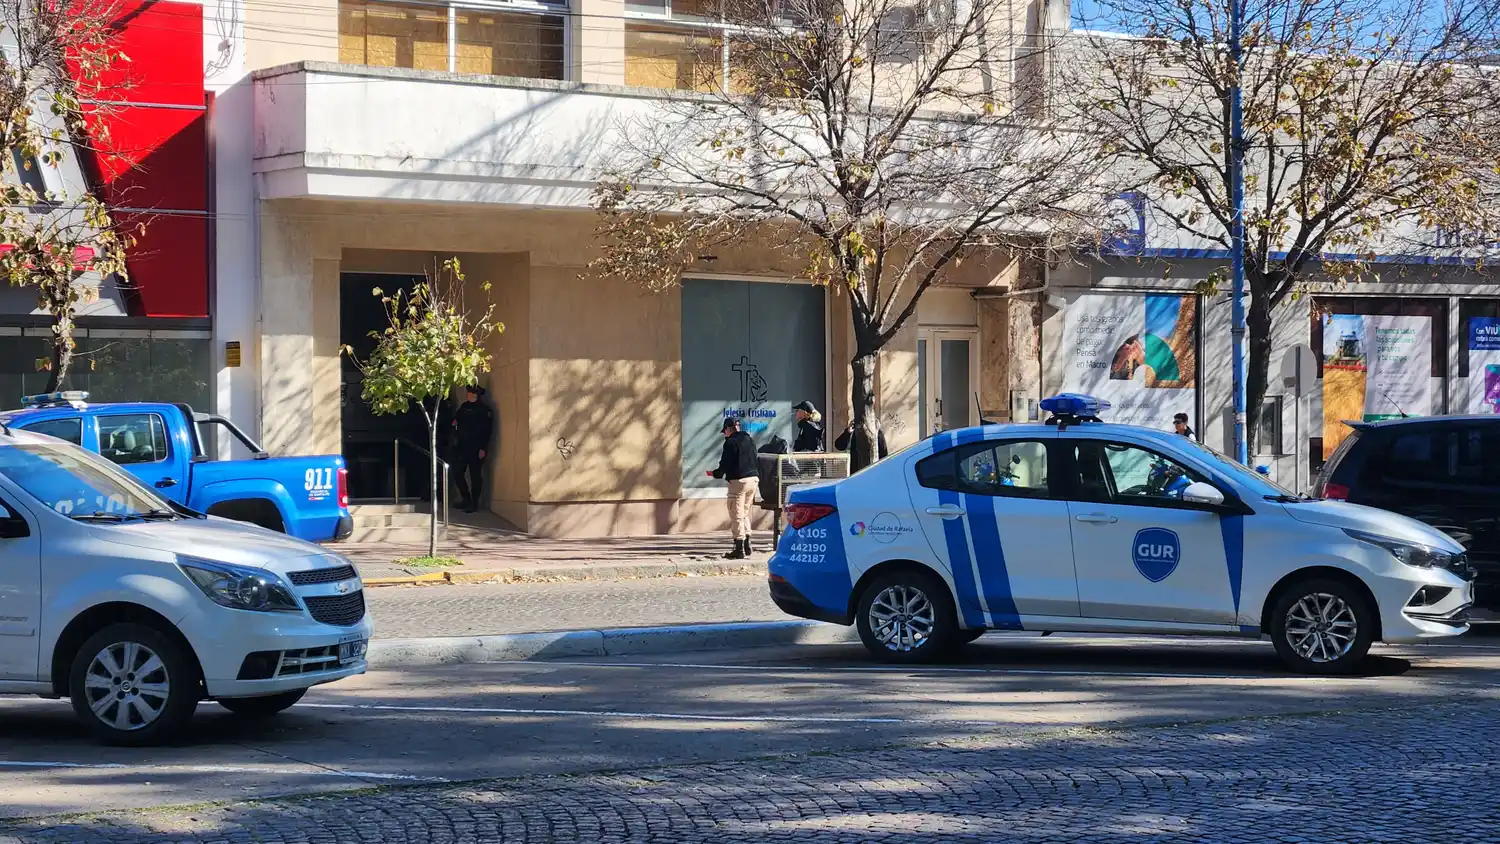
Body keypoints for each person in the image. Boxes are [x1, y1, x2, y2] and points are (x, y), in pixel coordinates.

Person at [711, 417, 759, 559]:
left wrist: (716, 473)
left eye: (724, 431)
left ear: (728, 428)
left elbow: (725, 463)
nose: (724, 434)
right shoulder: (749, 439)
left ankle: (739, 549)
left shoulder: (730, 442)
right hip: (753, 479)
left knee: (736, 514)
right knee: (744, 513)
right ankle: (747, 544)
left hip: (739, 482)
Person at [452, 386, 493, 514]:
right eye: (468, 393)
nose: (468, 395)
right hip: (462, 447)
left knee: (475, 476)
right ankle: (466, 499)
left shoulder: (484, 410)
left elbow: (487, 431)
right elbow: (456, 419)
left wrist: (483, 448)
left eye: (471, 393)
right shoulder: (464, 407)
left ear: (476, 395)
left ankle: (474, 503)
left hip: (476, 448)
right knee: (457, 473)